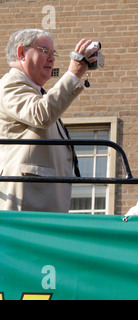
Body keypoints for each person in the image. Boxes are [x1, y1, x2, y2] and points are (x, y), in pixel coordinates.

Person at [0, 29, 98, 213]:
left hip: (41, 199)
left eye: (53, 53)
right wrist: (73, 75)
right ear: (21, 53)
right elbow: (40, 114)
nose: (52, 59)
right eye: (44, 51)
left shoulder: (35, 92)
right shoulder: (11, 83)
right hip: (26, 200)